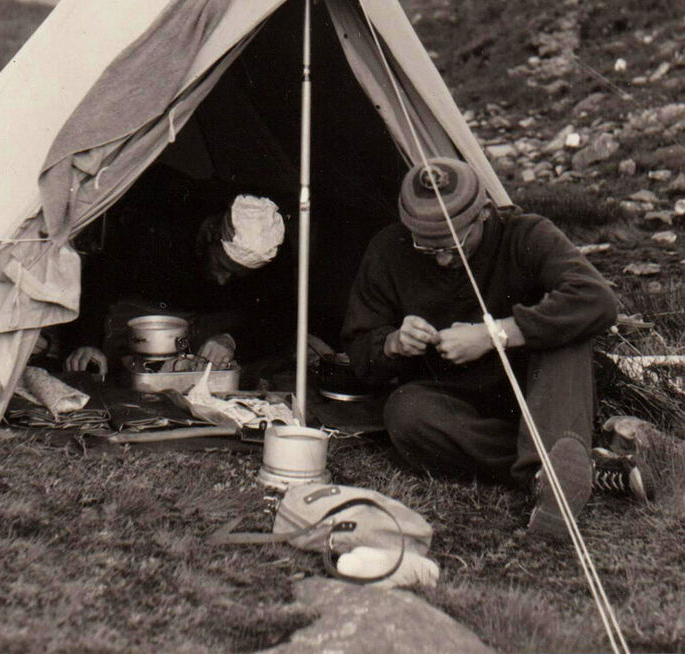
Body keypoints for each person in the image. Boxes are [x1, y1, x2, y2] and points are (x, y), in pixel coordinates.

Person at [341, 157, 654, 538]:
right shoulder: (388, 249)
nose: (443, 258)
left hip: (538, 392)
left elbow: (598, 301)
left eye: (455, 244)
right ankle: (563, 471)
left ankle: (554, 474)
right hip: (457, 400)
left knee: (566, 335)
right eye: (428, 248)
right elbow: (360, 351)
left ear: (484, 213)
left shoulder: (526, 234)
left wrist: (497, 334)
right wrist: (393, 343)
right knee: (405, 414)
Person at [61, 165, 290, 376]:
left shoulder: (268, 246)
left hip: (210, 323)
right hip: (146, 318)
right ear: (210, 232)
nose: (222, 281)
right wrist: (86, 342)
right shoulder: (158, 217)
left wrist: (232, 340)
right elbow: (100, 279)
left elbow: (280, 316)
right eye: (221, 266)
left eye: (234, 276)